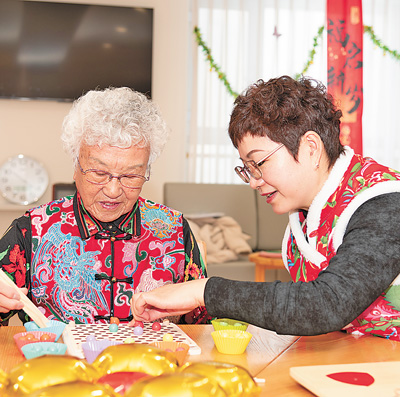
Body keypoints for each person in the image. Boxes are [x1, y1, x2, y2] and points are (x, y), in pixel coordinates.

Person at [130, 75, 400, 341]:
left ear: (310, 148)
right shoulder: (303, 220)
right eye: (247, 169)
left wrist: (202, 291)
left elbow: (327, 303)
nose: (254, 181)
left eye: (258, 163)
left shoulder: (383, 202)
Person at [0, 87, 209, 325]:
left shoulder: (174, 230)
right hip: (59, 361)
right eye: (99, 173)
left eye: (131, 176)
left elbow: (203, 326)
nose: (113, 191)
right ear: (75, 165)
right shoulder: (32, 231)